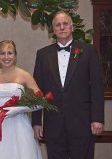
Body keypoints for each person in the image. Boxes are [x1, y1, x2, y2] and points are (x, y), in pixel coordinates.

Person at [32, 11, 104, 159]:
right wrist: (36, 121)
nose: (62, 27)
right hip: (53, 125)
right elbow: (37, 91)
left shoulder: (88, 51)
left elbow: (97, 87)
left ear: (72, 27)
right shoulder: (42, 55)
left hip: (82, 124)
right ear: (53, 30)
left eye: (65, 24)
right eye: (58, 25)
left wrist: (98, 118)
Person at [0, 40, 42, 159]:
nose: (6, 57)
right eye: (2, 53)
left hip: (20, 127)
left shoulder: (24, 75)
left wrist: (18, 110)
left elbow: (42, 102)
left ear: (15, 55)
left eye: (10, 53)